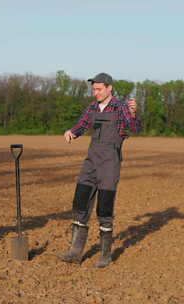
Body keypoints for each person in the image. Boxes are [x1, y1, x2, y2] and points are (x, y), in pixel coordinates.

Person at [59, 72, 141, 268]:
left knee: (104, 207)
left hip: (110, 162)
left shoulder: (121, 107)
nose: (95, 92)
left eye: (98, 89)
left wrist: (133, 114)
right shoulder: (92, 107)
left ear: (109, 88)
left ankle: (105, 255)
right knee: (80, 202)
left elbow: (134, 128)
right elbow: (82, 125)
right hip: (91, 161)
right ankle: (75, 252)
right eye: (93, 89)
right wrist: (72, 132)